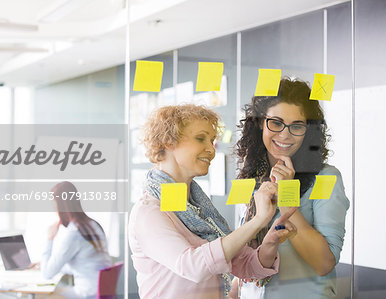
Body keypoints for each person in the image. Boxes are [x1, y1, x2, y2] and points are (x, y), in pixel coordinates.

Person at [129, 104, 297, 299]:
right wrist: (258, 220)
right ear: (168, 141)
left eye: (212, 141)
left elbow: (245, 266)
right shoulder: (148, 211)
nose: (211, 149)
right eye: (200, 138)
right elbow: (193, 267)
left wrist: (270, 242)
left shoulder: (197, 208)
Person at [234, 77, 350, 299]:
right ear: (260, 123)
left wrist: (287, 195)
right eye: (276, 123)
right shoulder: (250, 177)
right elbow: (245, 246)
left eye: (297, 126)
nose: (285, 134)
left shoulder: (326, 177)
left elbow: (324, 263)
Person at [41, 181, 112, 299]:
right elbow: (86, 263)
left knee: (43, 295)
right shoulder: (93, 225)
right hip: (99, 291)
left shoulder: (74, 233)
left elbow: (47, 274)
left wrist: (49, 239)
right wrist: (54, 264)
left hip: (87, 294)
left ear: (61, 206)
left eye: (54, 205)